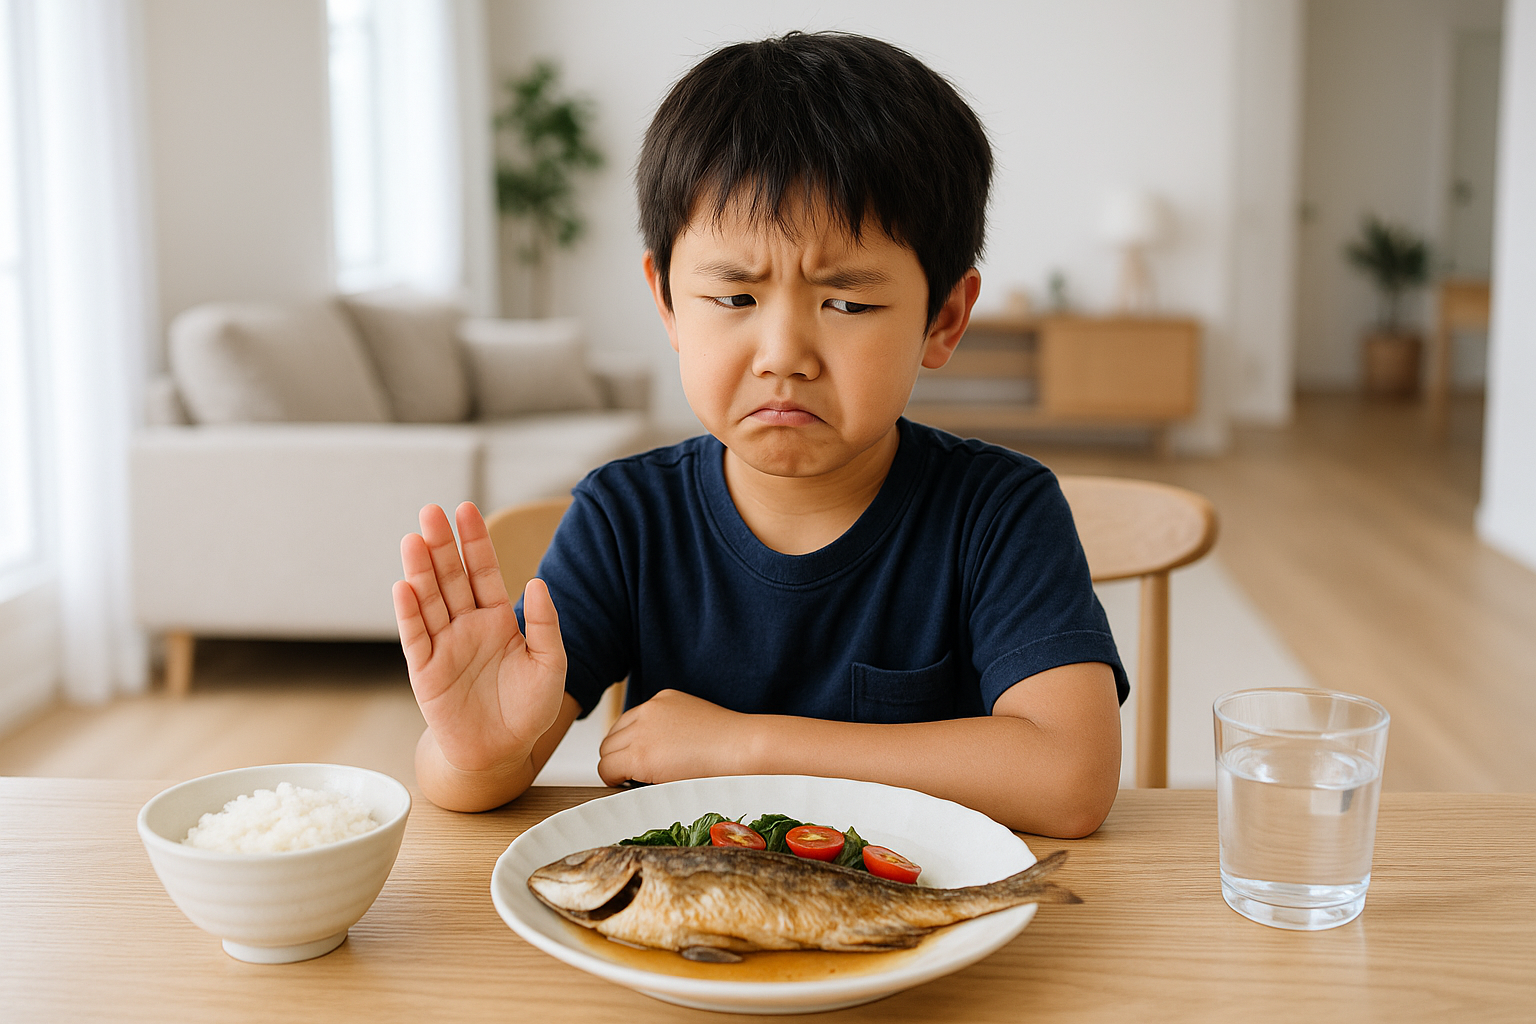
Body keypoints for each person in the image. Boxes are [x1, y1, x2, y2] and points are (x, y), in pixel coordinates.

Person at [393, 31, 1127, 837]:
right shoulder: (625, 518)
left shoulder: (1000, 511)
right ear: (668, 302)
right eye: (735, 299)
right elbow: (472, 782)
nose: (783, 356)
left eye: (847, 303)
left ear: (943, 318)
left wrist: (745, 746)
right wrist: (476, 749)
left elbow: (1070, 779)